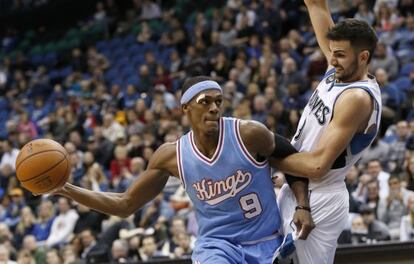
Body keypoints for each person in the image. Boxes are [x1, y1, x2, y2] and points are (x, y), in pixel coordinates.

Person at [40, 76, 313, 264]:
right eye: (205, 101)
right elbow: (125, 205)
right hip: (217, 246)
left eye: (218, 101)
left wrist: (303, 205)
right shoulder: (171, 156)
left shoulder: (249, 134)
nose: (214, 108)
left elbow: (293, 161)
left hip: (265, 239)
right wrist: (66, 189)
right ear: (185, 108)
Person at [272, 0, 381, 263]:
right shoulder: (340, 69)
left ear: (363, 57)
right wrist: (288, 174)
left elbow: (318, 165)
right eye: (331, 52)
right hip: (297, 184)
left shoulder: (357, 97)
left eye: (340, 54)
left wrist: (263, 156)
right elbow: (317, 6)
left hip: (321, 194)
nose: (331, 60)